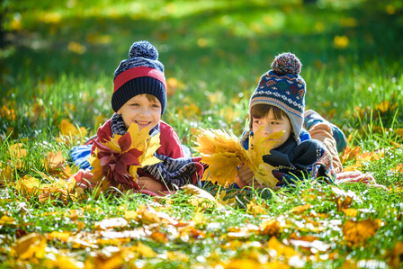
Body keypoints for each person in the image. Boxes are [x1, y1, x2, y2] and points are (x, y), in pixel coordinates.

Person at [70, 40, 204, 195]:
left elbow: (183, 177)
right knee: (83, 156)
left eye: (154, 106)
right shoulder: (109, 133)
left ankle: (185, 150)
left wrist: (160, 187)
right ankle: (88, 144)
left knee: (186, 154)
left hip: (163, 167)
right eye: (135, 105)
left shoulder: (166, 136)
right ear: (119, 107)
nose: (145, 114)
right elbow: (97, 170)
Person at [235, 52, 347, 188]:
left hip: (313, 142)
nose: (265, 131)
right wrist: (241, 180)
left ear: (294, 127)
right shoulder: (248, 143)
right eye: (258, 122)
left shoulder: (305, 146)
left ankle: (318, 123)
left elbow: (318, 178)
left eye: (274, 122)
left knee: (333, 164)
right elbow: (230, 181)